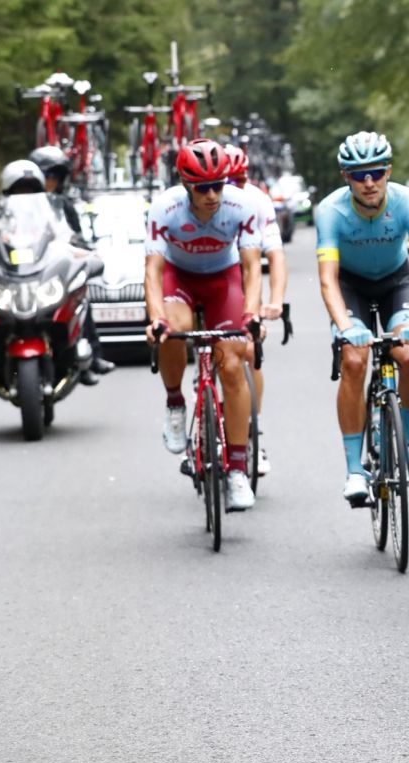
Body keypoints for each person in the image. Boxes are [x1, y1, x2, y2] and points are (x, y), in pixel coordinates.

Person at [143, 139, 264, 511]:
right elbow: (153, 271)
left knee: (233, 361)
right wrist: (156, 318)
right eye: (202, 188)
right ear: (186, 186)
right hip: (178, 278)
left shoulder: (241, 205)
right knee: (172, 331)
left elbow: (251, 267)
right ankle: (175, 403)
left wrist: (252, 314)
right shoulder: (165, 208)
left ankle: (238, 469)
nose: (212, 195)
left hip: (223, 280)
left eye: (218, 185)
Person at [315, 131, 409, 505]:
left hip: (396, 282)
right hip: (351, 287)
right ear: (345, 176)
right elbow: (328, 280)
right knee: (353, 360)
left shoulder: (408, 201)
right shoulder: (330, 211)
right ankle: (354, 469)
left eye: (377, 172)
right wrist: (345, 328)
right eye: (359, 174)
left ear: (388, 172)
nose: (369, 182)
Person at [224, 144, 287, 477]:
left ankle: (252, 433)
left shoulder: (258, 201)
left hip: (244, 280)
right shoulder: (205, 198)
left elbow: (274, 256)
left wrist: (275, 300)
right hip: (211, 277)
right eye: (228, 181)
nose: (234, 187)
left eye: (240, 179)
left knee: (249, 351)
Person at [28, 145, 116, 384]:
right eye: (47, 175)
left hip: (53, 274)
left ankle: (88, 358)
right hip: (25, 275)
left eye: (55, 176)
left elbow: (77, 238)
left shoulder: (63, 206)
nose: (51, 181)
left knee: (79, 300)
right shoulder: (19, 208)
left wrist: (83, 252)